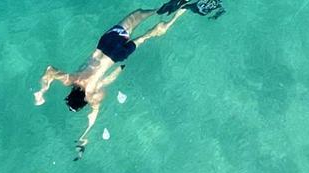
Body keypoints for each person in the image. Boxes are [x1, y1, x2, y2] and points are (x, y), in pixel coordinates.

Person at [34, 1, 213, 160]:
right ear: (71, 93)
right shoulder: (72, 80)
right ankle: (163, 8)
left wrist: (84, 136)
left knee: (147, 36)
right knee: (138, 14)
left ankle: (180, 12)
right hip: (107, 44)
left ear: (84, 102)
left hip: (118, 56)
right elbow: (50, 70)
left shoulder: (93, 97)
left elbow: (92, 118)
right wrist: (43, 90)